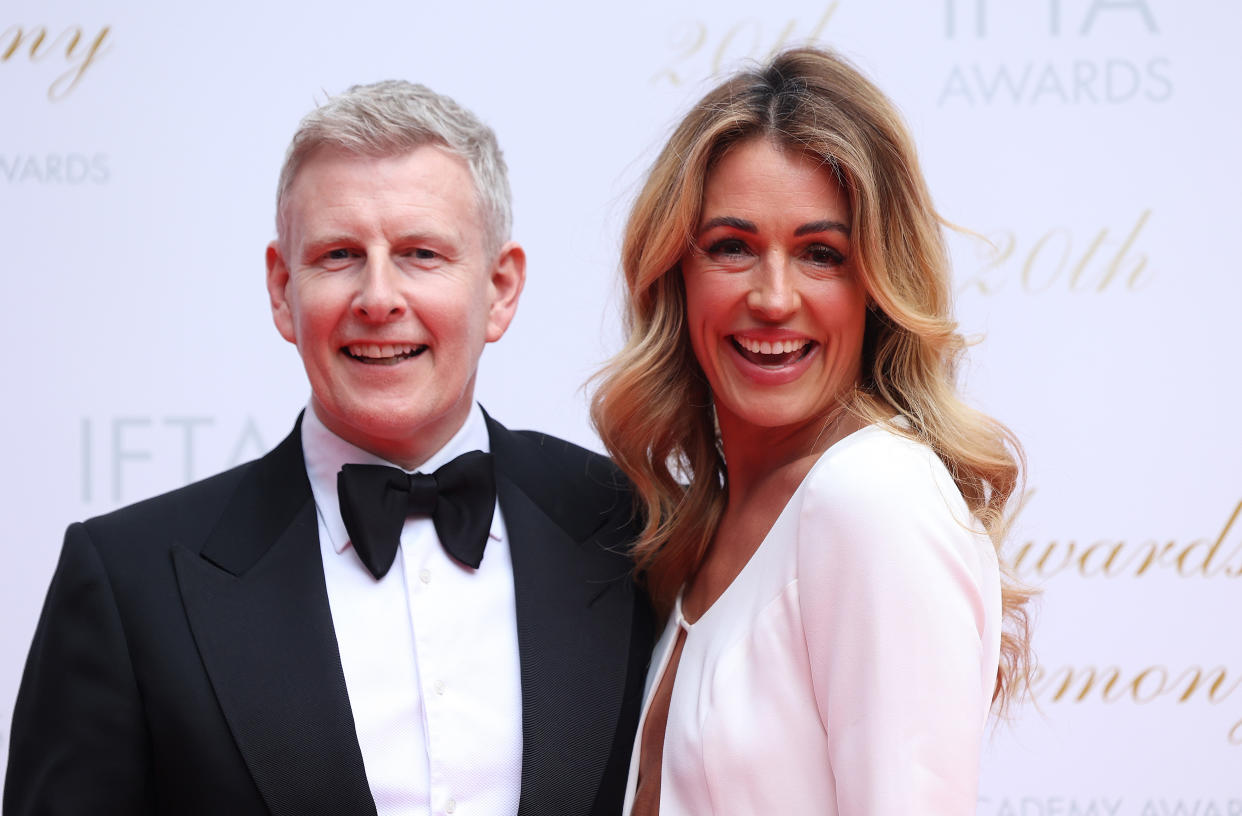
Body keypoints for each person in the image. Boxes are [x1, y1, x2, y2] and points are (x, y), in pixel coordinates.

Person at [6, 80, 653, 816]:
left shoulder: (635, 530)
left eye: (421, 254)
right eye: (341, 255)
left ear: (500, 289)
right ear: (283, 290)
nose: (378, 298)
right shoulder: (130, 582)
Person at [591, 47, 1034, 814]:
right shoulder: (704, 528)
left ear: (876, 286)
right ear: (676, 272)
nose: (772, 295)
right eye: (732, 246)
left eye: (820, 254)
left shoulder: (874, 496)